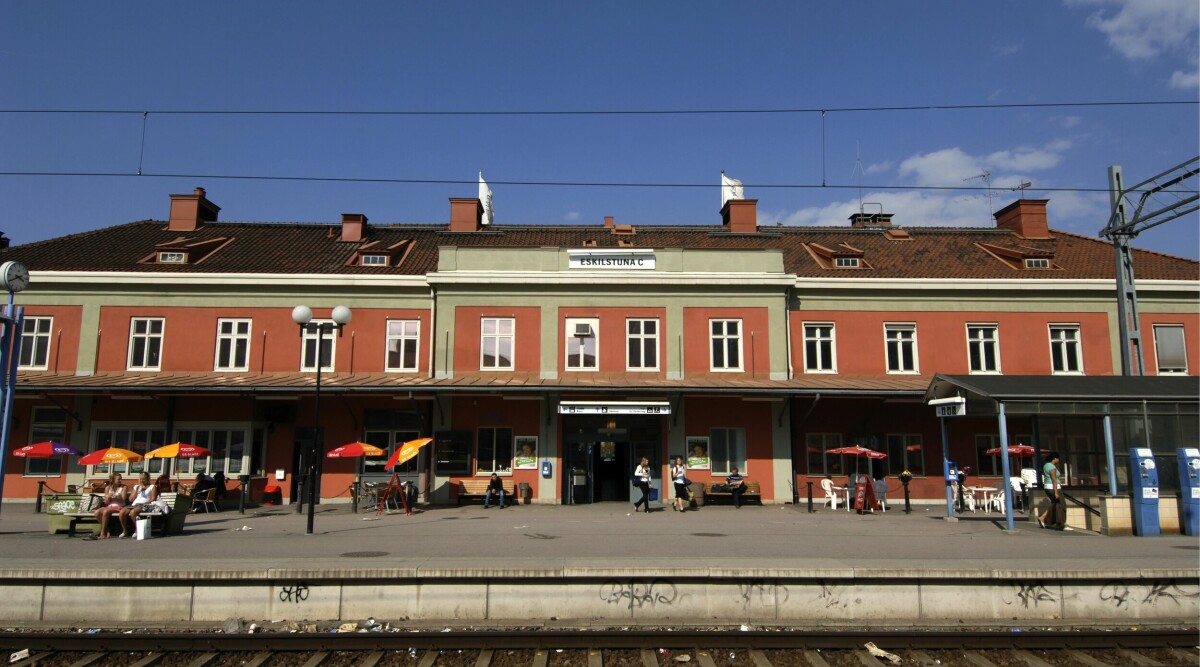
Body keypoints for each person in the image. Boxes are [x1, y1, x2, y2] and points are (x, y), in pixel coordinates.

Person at [119, 472, 158, 538]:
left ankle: (137, 530)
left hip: (145, 505)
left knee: (133, 512)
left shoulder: (152, 487)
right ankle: (125, 530)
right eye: (140, 479)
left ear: (148, 479)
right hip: (134, 505)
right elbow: (131, 499)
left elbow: (153, 499)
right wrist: (136, 491)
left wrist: (142, 503)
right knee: (122, 512)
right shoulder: (137, 487)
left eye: (143, 479)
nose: (142, 481)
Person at [92, 473, 126, 539]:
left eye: (121, 479)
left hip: (119, 506)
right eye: (119, 479)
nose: (120, 480)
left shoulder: (123, 487)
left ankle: (102, 532)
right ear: (113, 480)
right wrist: (108, 497)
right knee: (97, 512)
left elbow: (123, 500)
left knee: (105, 512)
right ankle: (107, 529)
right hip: (109, 506)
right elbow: (106, 502)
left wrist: (117, 497)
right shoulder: (108, 488)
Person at [1038, 452, 1062, 529]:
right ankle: (1044, 518)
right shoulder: (1052, 467)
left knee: (1054, 503)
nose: (1058, 460)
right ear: (1054, 458)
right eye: (1058, 458)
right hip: (1053, 487)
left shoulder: (1046, 465)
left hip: (1047, 487)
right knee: (1060, 504)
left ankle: (1048, 520)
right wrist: (1056, 492)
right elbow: (1054, 480)